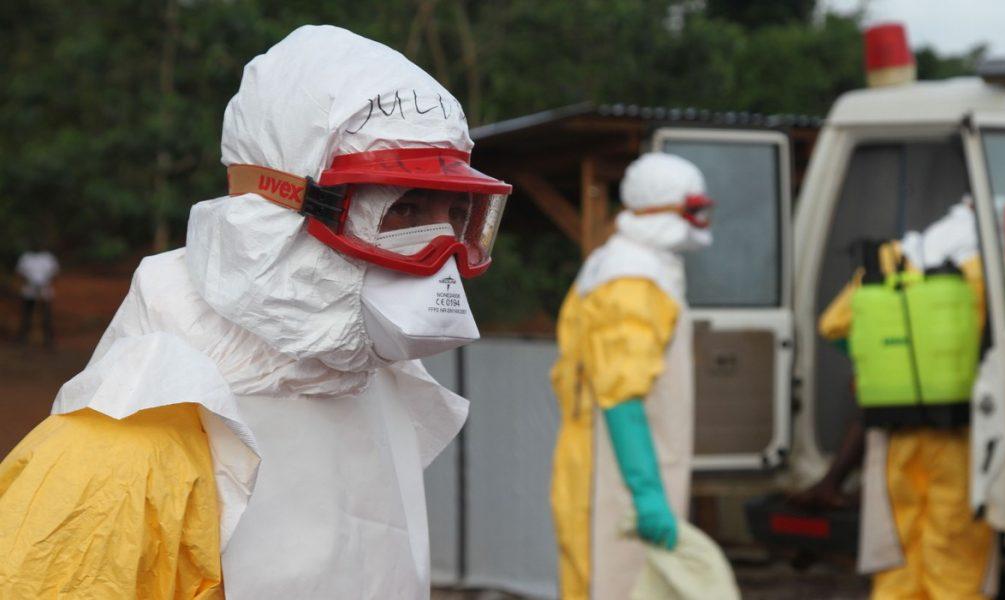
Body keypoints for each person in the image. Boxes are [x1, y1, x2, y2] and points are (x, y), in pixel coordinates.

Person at [0, 25, 510, 599]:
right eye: (405, 209)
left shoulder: (380, 387)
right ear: (280, 209)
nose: (439, 251)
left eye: (456, 215)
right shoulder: (129, 440)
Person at [804, 197, 996, 599]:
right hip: (960, 432)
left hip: (894, 432)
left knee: (897, 544)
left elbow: (833, 324)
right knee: (954, 545)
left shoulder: (892, 258)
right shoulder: (986, 267)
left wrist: (880, 361)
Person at [550, 152, 714, 600]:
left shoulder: (621, 265)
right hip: (615, 468)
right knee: (616, 581)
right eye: (695, 209)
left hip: (615, 458)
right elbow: (621, 394)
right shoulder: (633, 280)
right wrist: (646, 493)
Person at [14, 242, 59, 347]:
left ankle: (48, 340)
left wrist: (44, 283)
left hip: (45, 293)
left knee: (46, 317)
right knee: (27, 316)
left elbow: (55, 273)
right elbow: (19, 273)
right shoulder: (26, 257)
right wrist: (30, 282)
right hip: (29, 292)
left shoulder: (48, 257)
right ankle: (23, 339)